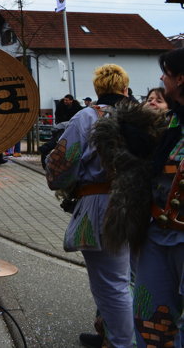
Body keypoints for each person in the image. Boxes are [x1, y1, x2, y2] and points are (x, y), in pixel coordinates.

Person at [45, 64, 135, 348]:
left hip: (100, 205)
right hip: (138, 204)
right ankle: (111, 336)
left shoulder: (87, 116)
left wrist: (59, 179)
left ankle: (122, 342)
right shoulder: (140, 117)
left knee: (110, 284)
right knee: (129, 278)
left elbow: (62, 164)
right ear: (124, 88)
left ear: (97, 89)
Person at [131, 49, 184, 347]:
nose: (161, 78)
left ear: (180, 78)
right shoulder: (172, 121)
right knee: (149, 316)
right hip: (157, 231)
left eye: (166, 72)